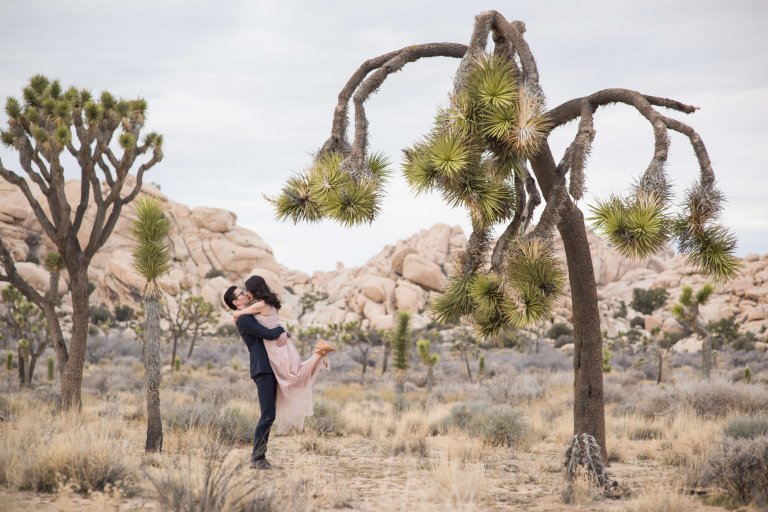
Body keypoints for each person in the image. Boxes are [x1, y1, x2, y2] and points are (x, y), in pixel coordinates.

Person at [233, 275, 335, 434]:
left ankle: (317, 354)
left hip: (276, 347)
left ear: (253, 290)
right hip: (285, 345)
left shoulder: (259, 305)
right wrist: (283, 331)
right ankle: (318, 355)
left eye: (247, 290)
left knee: (292, 377)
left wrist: (236, 315)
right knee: (295, 374)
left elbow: (241, 314)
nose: (246, 293)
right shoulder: (269, 303)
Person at [223, 284, 288, 470]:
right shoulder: (244, 320)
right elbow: (268, 333)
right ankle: (258, 458)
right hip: (262, 368)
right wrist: (282, 332)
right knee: (267, 414)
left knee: (269, 414)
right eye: (241, 293)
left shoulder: (249, 315)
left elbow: (272, 327)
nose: (245, 293)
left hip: (269, 366)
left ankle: (259, 457)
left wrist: (284, 332)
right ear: (236, 302)